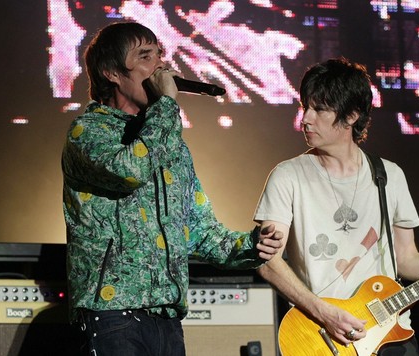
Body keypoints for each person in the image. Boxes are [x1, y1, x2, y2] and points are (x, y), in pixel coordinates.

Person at [61, 22, 283, 356]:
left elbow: (202, 232)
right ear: (112, 73)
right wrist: (165, 103)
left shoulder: (171, 147)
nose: (161, 66)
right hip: (111, 314)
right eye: (146, 56)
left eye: (160, 54)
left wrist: (254, 244)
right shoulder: (88, 133)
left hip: (165, 318)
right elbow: (131, 170)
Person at [253, 57, 419, 356]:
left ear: (352, 115)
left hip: (389, 337)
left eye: (319, 109)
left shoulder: (388, 176)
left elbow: (406, 260)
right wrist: (326, 314)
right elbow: (268, 262)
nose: (305, 118)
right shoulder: (287, 176)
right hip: (321, 338)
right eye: (305, 106)